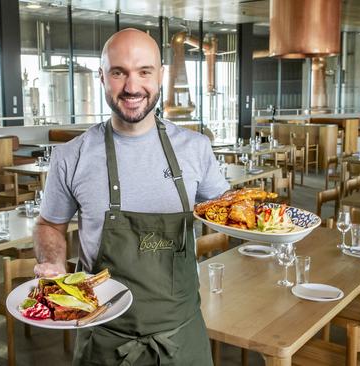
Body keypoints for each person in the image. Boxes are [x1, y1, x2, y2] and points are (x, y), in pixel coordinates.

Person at [33, 28, 229, 365]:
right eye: (118, 72)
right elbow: (49, 224)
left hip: (181, 338)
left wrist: (267, 227)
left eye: (144, 72)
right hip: (104, 339)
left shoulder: (196, 149)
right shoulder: (71, 156)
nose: (132, 87)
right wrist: (52, 261)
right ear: (102, 77)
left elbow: (226, 212)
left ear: (161, 75)